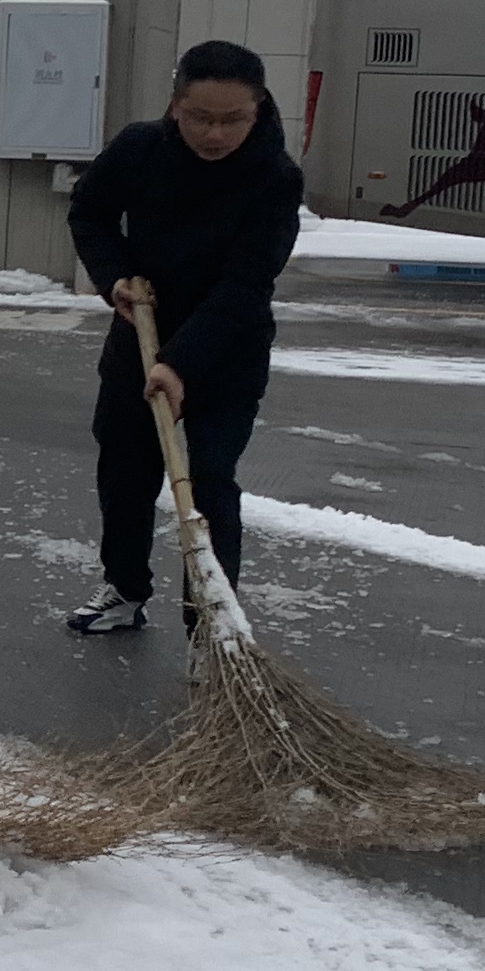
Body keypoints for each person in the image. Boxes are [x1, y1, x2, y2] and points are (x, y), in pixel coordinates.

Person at [66, 37, 302, 633]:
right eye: (200, 117)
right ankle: (124, 589)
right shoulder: (139, 149)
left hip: (225, 353)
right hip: (137, 340)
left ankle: (211, 620)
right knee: (125, 473)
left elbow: (246, 283)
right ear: (175, 105)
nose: (215, 134)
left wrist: (178, 363)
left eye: (233, 119)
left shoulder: (274, 177)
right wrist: (116, 277)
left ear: (257, 110)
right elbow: (89, 212)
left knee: (210, 479)